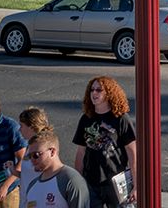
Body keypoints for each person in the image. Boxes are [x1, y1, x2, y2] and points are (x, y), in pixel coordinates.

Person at [73, 77, 136, 208]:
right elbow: (80, 152)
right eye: (92, 90)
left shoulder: (121, 118)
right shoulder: (86, 118)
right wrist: (78, 180)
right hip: (91, 182)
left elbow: (132, 152)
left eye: (99, 90)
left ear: (109, 93)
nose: (94, 93)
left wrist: (136, 184)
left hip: (116, 181)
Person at [22, 127, 89, 208]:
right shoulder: (32, 185)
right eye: (29, 156)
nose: (32, 160)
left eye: (36, 155)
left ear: (52, 152)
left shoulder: (71, 180)